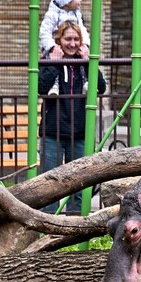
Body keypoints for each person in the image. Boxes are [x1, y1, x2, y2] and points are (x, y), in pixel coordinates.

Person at [38, 21, 106, 213]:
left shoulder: (84, 62)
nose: (72, 43)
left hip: (80, 130)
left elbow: (101, 88)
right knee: (49, 180)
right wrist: (54, 63)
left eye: (76, 39)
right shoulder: (48, 59)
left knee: (80, 180)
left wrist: (88, 62)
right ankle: (48, 219)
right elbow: (41, 88)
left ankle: (76, 218)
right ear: (59, 40)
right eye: (68, 39)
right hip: (53, 130)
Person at [39, 0, 90, 96]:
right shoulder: (52, 15)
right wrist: (51, 47)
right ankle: (54, 86)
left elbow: (82, 29)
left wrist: (85, 44)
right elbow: (45, 33)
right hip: (54, 48)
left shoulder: (77, 15)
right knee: (54, 62)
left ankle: (86, 81)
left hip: (78, 111)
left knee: (81, 63)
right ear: (67, 0)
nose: (80, 0)